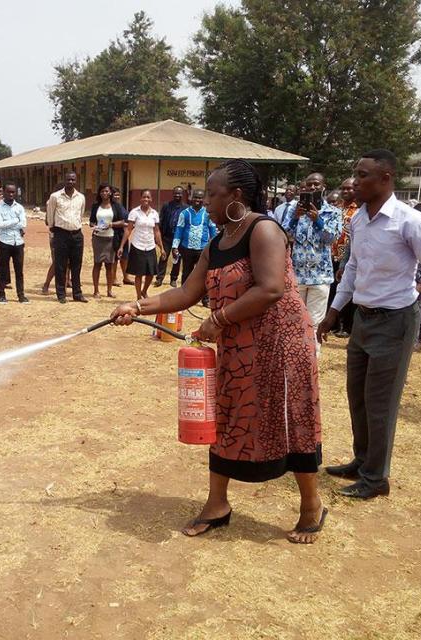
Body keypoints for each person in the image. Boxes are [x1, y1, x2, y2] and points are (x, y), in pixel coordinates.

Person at [110, 159, 325, 543]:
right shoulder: (217, 240)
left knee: (290, 418)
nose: (204, 200)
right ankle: (217, 504)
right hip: (239, 346)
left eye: (212, 194)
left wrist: (219, 319)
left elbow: (271, 288)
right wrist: (137, 306)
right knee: (225, 418)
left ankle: (311, 504)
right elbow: (187, 292)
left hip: (281, 345)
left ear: (236, 196)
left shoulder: (264, 230)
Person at [318, 149, 421, 500]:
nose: (355, 181)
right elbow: (352, 268)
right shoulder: (359, 220)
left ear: (386, 178)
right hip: (363, 319)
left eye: (363, 175)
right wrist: (335, 310)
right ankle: (363, 460)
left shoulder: (410, 221)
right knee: (358, 397)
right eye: (355, 173)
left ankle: (376, 478)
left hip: (396, 320)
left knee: (381, 402)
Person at [284, 172, 342, 355]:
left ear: (323, 186)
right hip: (298, 275)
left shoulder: (333, 212)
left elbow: (331, 238)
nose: (312, 188)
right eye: (309, 184)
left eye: (316, 184)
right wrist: (294, 217)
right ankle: (295, 358)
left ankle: (312, 361)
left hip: (320, 276)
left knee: (315, 323)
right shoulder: (295, 209)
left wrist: (318, 220)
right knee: (294, 320)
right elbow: (284, 234)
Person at [46, 172, 87, 303]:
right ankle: (61, 294)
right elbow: (50, 216)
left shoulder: (81, 197)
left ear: (76, 181)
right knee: (60, 265)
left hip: (76, 234)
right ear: (65, 180)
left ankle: (77, 294)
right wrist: (53, 231)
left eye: (73, 180)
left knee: (77, 265)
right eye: (68, 179)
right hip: (60, 234)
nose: (70, 182)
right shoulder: (55, 197)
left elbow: (80, 215)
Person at [118, 190, 164, 300]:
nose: (146, 199)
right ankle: (138, 296)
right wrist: (121, 246)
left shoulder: (154, 214)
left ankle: (144, 291)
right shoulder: (134, 212)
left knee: (151, 273)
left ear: (151, 199)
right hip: (137, 245)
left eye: (148, 197)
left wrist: (161, 248)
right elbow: (128, 230)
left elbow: (157, 231)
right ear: (140, 199)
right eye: (144, 197)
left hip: (150, 245)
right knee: (139, 274)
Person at [171, 188, 218, 297]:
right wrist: (174, 246)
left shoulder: (208, 214)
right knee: (186, 273)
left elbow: (212, 231)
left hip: (203, 249)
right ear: (192, 198)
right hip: (187, 249)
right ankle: (184, 296)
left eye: (200, 198)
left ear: (203, 199)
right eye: (196, 197)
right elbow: (179, 230)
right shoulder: (184, 213)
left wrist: (214, 247)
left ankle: (205, 298)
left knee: (204, 274)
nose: (197, 200)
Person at [330, 178, 359, 337]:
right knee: (335, 291)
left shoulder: (359, 210)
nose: (345, 191)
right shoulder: (337, 208)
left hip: (349, 258)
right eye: (343, 188)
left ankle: (346, 326)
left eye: (349, 188)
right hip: (333, 257)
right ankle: (335, 323)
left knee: (348, 291)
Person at [0, 183, 29, 305]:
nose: (11, 194)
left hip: (18, 242)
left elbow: (23, 224)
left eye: (13, 192)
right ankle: (2, 295)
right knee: (3, 269)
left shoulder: (19, 207)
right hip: (4, 242)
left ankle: (21, 295)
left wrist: (12, 223)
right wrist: (15, 220)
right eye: (9, 192)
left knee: (19, 270)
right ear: (4, 192)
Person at [89, 183, 121, 298]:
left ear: (110, 192)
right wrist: (95, 226)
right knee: (97, 264)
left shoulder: (115, 206)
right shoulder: (96, 205)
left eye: (106, 191)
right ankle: (96, 290)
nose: (104, 193)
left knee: (109, 265)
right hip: (98, 238)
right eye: (102, 191)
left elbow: (123, 221)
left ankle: (109, 290)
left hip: (111, 238)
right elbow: (91, 222)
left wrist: (111, 224)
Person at [156, 186, 186, 287]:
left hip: (179, 239)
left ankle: (173, 279)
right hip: (167, 237)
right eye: (176, 193)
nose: (177, 195)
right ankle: (159, 279)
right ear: (173, 194)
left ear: (183, 194)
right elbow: (161, 220)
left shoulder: (186, 208)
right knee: (163, 257)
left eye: (179, 193)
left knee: (177, 258)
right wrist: (159, 235)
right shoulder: (166, 206)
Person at [109, 186, 130, 287]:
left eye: (118, 194)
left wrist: (125, 224)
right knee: (115, 258)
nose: (116, 196)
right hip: (114, 235)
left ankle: (126, 277)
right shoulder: (109, 207)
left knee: (125, 257)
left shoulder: (121, 206)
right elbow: (109, 223)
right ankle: (114, 279)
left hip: (124, 234)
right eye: (114, 194)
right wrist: (122, 224)